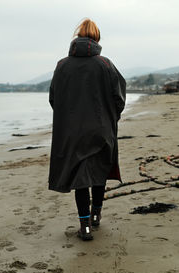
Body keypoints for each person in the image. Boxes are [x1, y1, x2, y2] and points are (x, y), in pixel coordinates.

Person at [48, 18, 126, 241]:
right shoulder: (106, 64)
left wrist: (68, 119)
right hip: (101, 130)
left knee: (80, 179)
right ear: (96, 39)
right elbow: (119, 97)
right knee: (98, 172)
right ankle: (96, 216)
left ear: (77, 37)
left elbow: (54, 98)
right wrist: (110, 118)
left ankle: (85, 227)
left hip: (73, 133)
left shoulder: (62, 66)